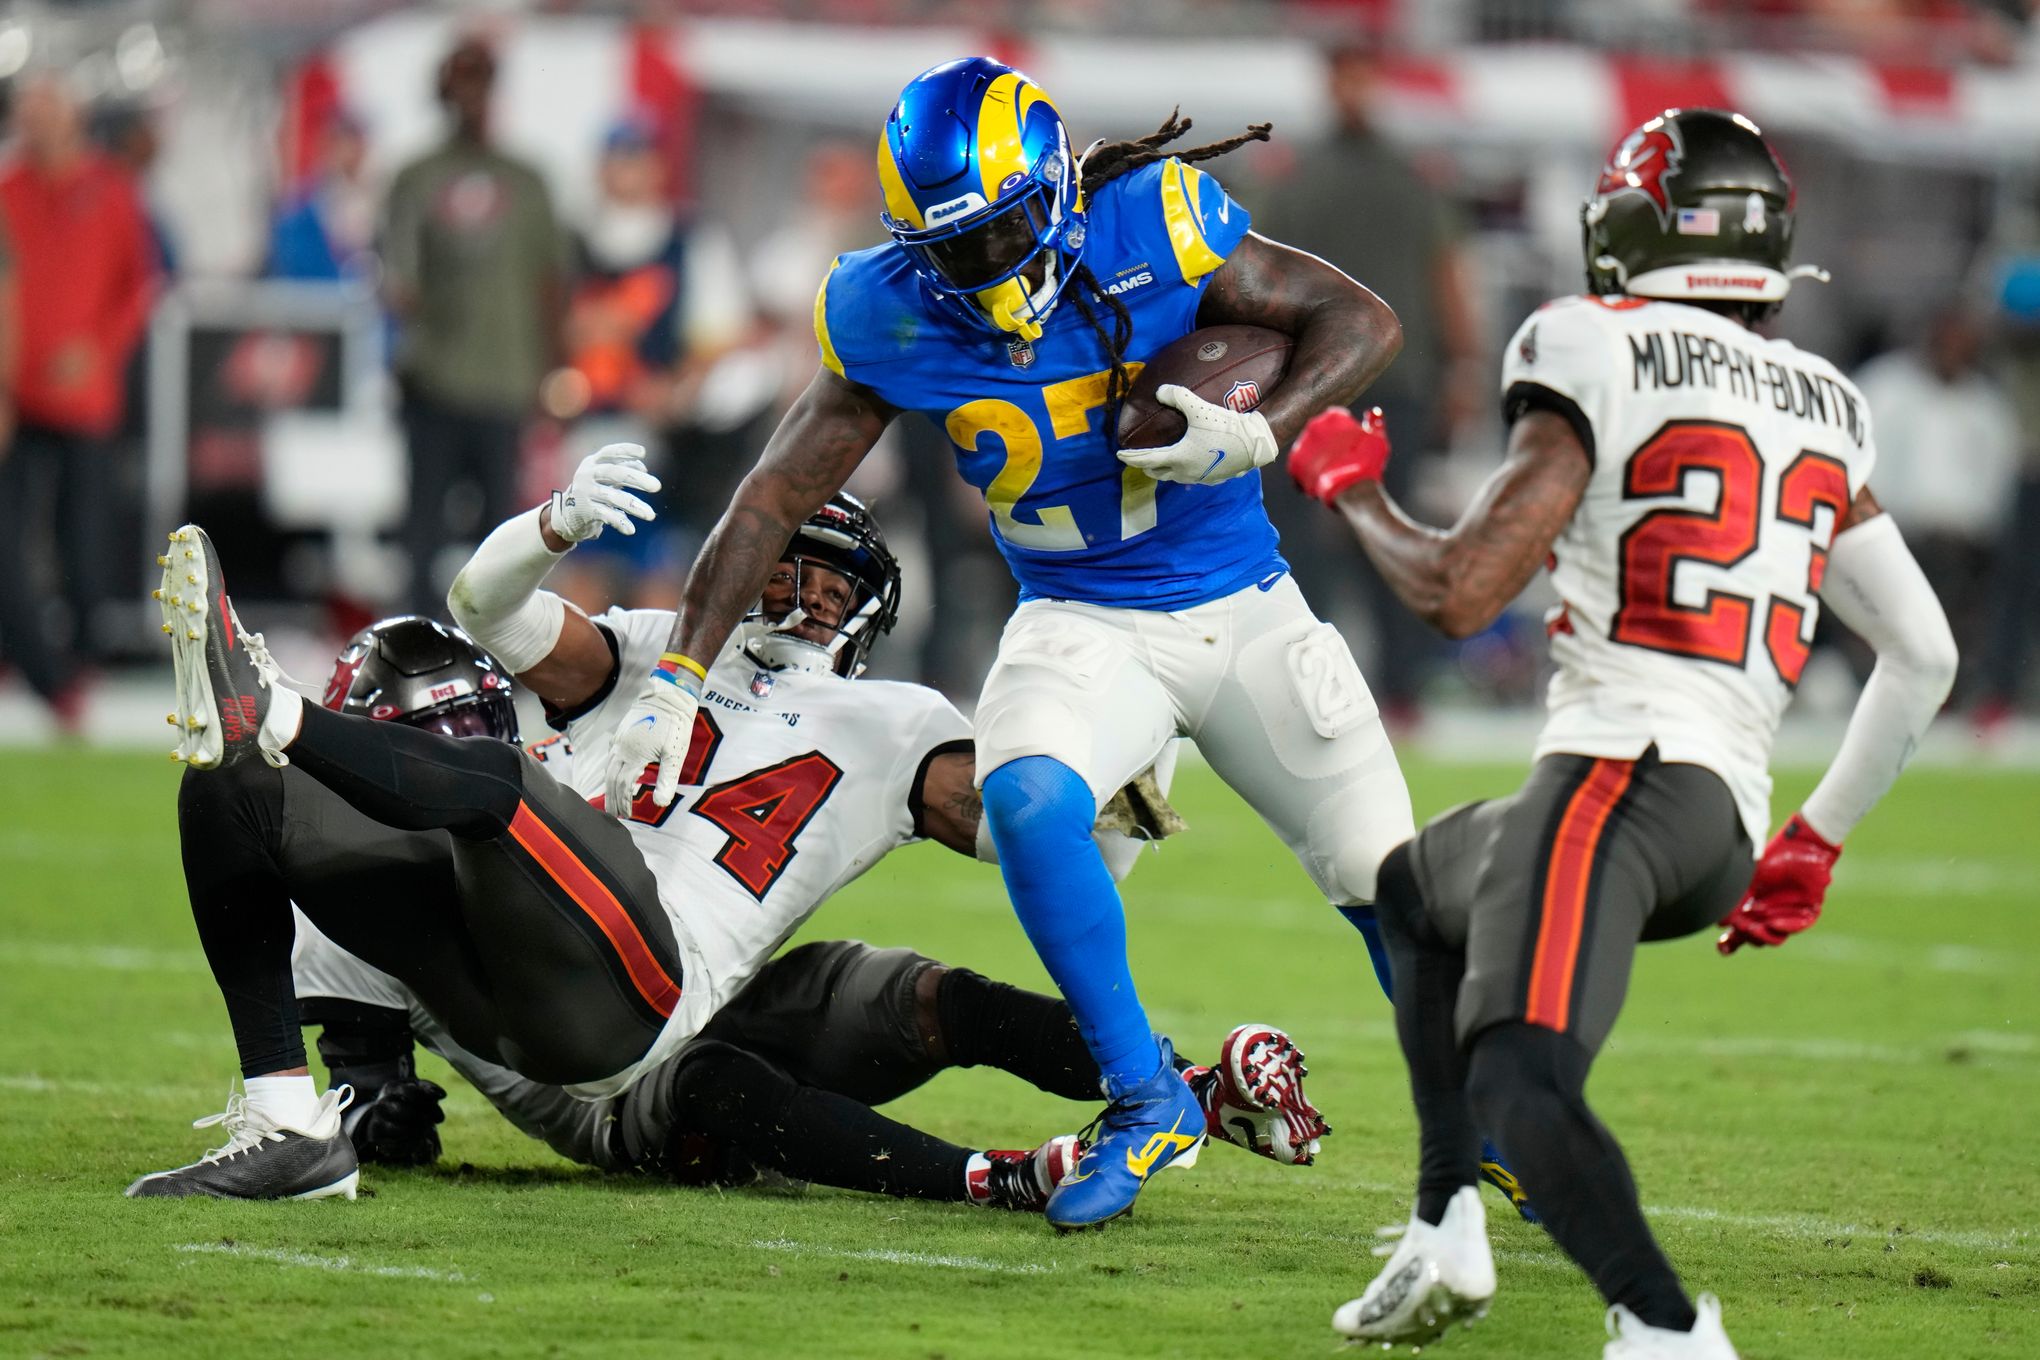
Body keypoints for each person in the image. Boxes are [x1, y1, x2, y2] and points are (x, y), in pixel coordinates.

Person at [598, 57, 1415, 1231]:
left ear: (1056, 194)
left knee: (1391, 886)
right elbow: (770, 499)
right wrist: (676, 679)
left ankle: (1489, 1126)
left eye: (999, 236)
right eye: (952, 248)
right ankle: (1145, 1099)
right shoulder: (886, 303)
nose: (981, 272)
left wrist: (1261, 433)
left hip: (1245, 605)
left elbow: (1362, 319)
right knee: (1026, 802)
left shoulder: (1154, 218)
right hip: (1080, 618)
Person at [130, 446, 1323, 1204]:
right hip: (541, 966)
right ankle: (284, 1122)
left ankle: (1187, 1089)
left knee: (899, 990)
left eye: (830, 582)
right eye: (784, 570)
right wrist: (550, 522)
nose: (802, 597)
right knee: (232, 787)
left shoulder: (893, 717)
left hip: (646, 989)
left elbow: (1065, 849)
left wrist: (1122, 760)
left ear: (870, 610)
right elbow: (480, 609)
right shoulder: (656, 646)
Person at [1290, 109, 1957, 1356]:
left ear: (1637, 228)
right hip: (1721, 814)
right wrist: (1817, 838)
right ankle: (1444, 1230)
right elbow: (1925, 654)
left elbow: (1458, 593)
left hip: (1617, 775)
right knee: (1413, 890)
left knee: (1519, 1076)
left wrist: (1352, 491)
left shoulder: (1591, 344)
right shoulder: (1826, 399)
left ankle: (1665, 1330)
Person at [285, 624, 1325, 1203]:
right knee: (713, 1079)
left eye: (479, 727)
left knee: (902, 988)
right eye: (441, 742)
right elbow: (391, 1118)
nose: (469, 753)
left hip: (692, 988)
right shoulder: (350, 901)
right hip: (613, 1088)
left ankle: (1189, 1087)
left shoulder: (553, 768)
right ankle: (993, 1178)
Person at [1258, 43, 1487, 724]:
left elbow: (1446, 275)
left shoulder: (1402, 180)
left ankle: (1399, 690)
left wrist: (1463, 368)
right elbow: (1263, 285)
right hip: (1318, 385)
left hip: (1390, 385)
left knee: (1382, 532)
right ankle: (1305, 681)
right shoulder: (1306, 179)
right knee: (1303, 542)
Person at [381, 38, 566, 613]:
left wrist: (550, 374)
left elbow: (551, 284)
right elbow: (398, 283)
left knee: (503, 537)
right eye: (460, 82)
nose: (471, 96)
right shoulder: (415, 177)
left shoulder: (528, 180)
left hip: (506, 381)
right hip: (434, 378)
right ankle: (416, 650)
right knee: (422, 532)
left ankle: (495, 656)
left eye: (481, 81)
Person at [0, 73, 157, 715]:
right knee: (15, 532)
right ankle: (33, 659)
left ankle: (83, 661)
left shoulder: (110, 191)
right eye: (27, 116)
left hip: (85, 400)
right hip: (17, 399)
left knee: (82, 535)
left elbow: (139, 287)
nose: (36, 127)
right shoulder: (9, 191)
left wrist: (96, 350)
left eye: (47, 114)